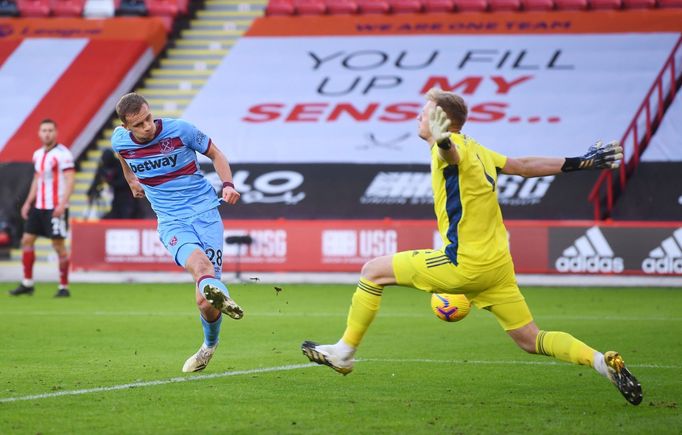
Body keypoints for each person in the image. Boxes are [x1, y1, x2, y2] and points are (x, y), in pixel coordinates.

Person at [301, 88, 643, 406]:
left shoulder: (450, 148)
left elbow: (451, 155)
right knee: (530, 339)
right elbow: (522, 167)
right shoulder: (478, 149)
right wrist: (581, 162)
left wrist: (443, 140)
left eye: (424, 114)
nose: (418, 119)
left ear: (441, 123)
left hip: (464, 263)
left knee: (372, 271)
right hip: (498, 269)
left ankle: (344, 352)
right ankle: (601, 361)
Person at [111, 93, 243, 373]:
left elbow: (216, 153)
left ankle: (208, 345)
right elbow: (123, 156)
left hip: (206, 214)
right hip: (171, 221)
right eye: (139, 124)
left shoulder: (181, 130)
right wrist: (131, 179)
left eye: (148, 118)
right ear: (126, 127)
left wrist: (228, 184)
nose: (147, 126)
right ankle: (221, 296)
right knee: (201, 267)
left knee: (204, 302)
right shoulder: (119, 140)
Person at [8, 119, 74, 298]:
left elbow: (70, 180)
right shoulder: (37, 154)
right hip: (39, 207)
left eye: (50, 130)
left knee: (58, 246)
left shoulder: (63, 154)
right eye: (44, 130)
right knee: (27, 240)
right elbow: (37, 180)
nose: (47, 133)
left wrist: (62, 204)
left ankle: (63, 286)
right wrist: (28, 202)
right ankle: (27, 283)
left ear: (55, 132)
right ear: (39, 133)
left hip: (55, 208)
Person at [87, 148, 145, 219]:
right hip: (116, 196)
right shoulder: (103, 166)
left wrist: (109, 182)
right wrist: (90, 192)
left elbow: (124, 182)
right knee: (115, 214)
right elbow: (97, 179)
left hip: (127, 195)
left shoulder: (119, 165)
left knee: (127, 214)